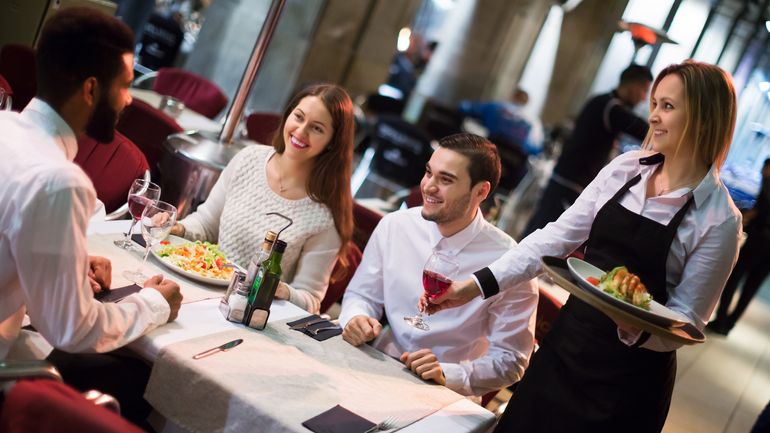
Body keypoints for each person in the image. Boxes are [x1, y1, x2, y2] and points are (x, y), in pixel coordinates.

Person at [424, 61, 742, 432]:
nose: (653, 117)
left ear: (704, 118)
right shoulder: (626, 169)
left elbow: (688, 320)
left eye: (667, 107)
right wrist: (474, 286)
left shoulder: (719, 219)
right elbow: (555, 237)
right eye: (653, 103)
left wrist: (632, 323)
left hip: (628, 382)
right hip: (567, 347)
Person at [0, 7, 183, 425]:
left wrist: (71, 264)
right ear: (90, 89)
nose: (130, 99)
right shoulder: (58, 180)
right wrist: (153, 302)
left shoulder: (4, 128)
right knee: (147, 381)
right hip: (6, 369)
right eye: (124, 86)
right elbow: (72, 329)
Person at [339, 133, 537, 399]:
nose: (429, 186)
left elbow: (511, 362)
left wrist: (448, 373)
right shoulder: (396, 226)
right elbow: (362, 296)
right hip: (373, 367)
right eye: (428, 173)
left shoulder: (509, 263)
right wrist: (356, 317)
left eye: (446, 180)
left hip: (445, 397)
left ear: (481, 191)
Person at [171, 83, 355, 314]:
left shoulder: (324, 217)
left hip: (247, 314)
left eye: (317, 128)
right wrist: (175, 227)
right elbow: (206, 224)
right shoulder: (247, 159)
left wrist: (279, 289)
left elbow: (310, 300)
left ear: (331, 143)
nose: (301, 131)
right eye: (298, 117)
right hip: (198, 286)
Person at [521, 63, 652, 238]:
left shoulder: (603, 101)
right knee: (545, 235)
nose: (644, 98)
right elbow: (641, 129)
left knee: (539, 230)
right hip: (570, 182)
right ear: (633, 85)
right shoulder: (610, 107)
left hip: (566, 179)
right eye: (644, 90)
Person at [708, 158, 770, 336]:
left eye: (764, 169)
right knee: (752, 287)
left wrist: (739, 217)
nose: (761, 173)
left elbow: (759, 209)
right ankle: (730, 323)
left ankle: (720, 322)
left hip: (758, 241)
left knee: (733, 278)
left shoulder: (768, 182)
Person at [459, 87, 544, 156]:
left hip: (486, 156)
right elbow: (537, 150)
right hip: (511, 168)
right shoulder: (535, 124)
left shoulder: (496, 107)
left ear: (514, 97)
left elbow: (464, 107)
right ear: (527, 103)